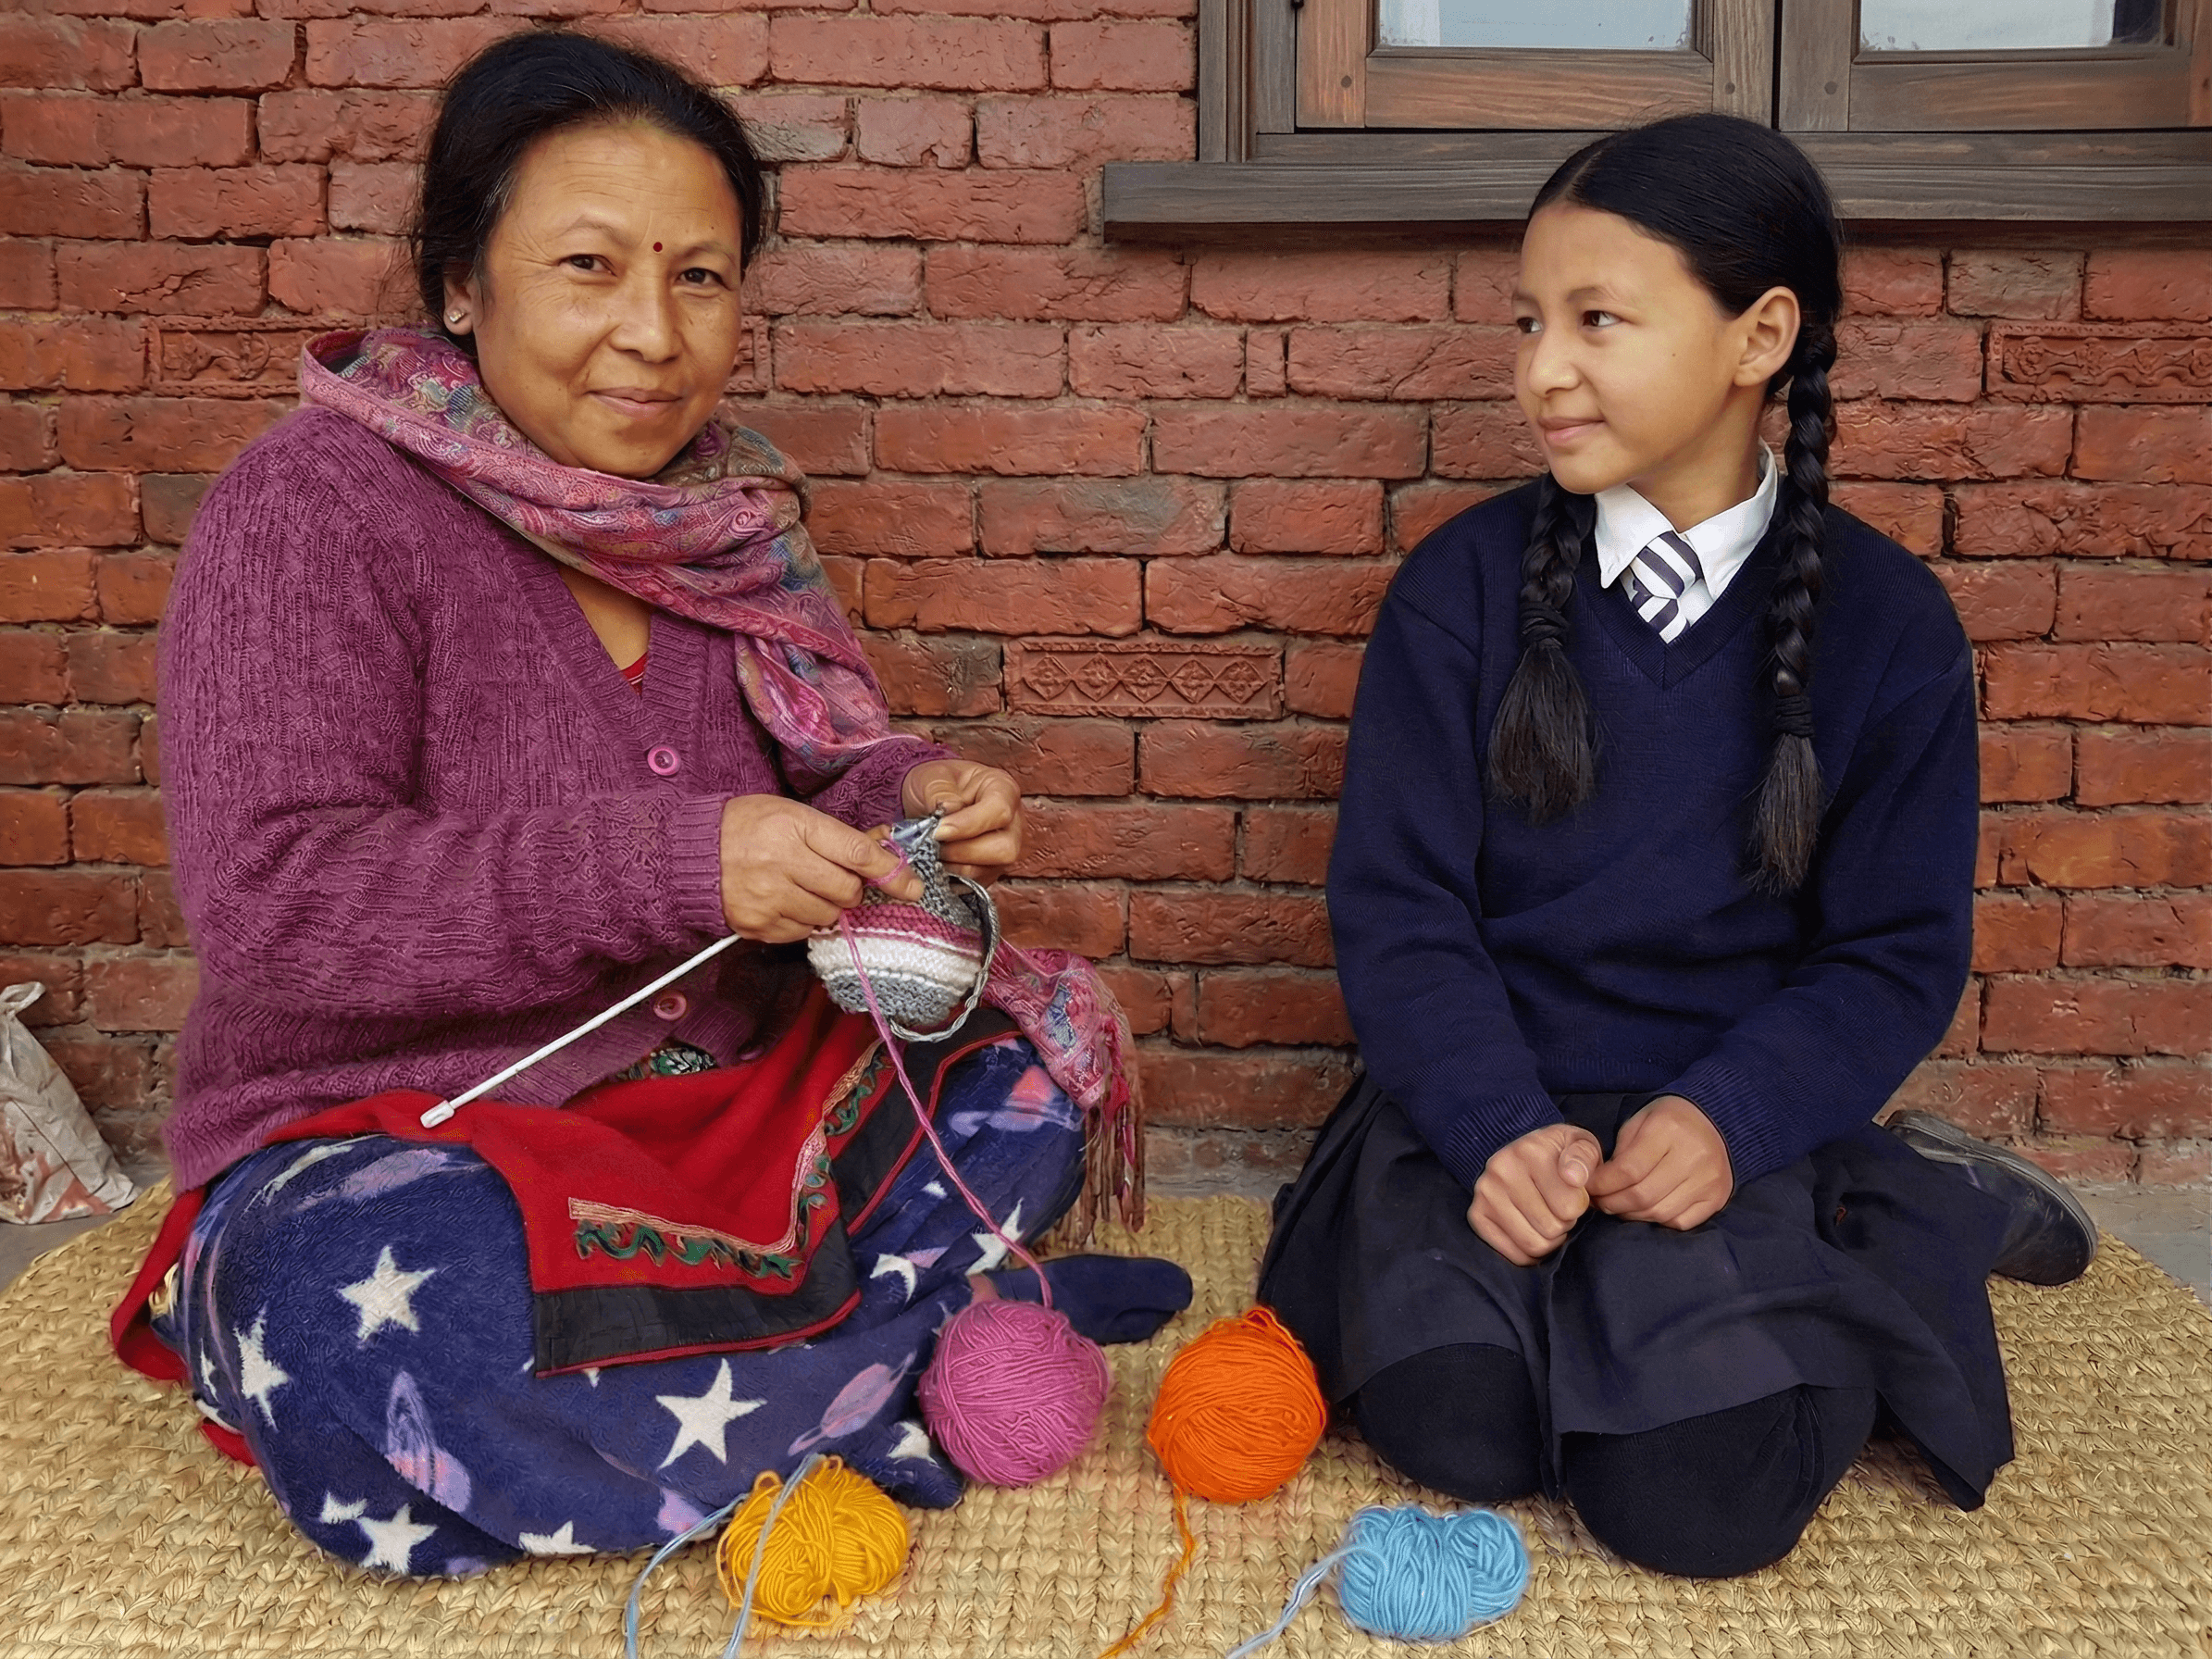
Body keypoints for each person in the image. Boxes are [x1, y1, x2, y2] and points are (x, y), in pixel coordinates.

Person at [111, 31, 1187, 1577]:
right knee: (375, 1294)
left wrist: (916, 801)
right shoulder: (309, 509)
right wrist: (680, 864)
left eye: (699, 277)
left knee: (1032, 1067)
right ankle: (903, 1362)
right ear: (462, 283)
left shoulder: (723, 517)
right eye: (590, 268)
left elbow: (827, 776)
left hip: (715, 1105)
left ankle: (756, 1378)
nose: (651, 333)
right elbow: (279, 907)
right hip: (420, 1135)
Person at [1257, 114, 2099, 1580]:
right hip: (1491, 1100)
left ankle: (1929, 1207)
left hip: (1727, 1121)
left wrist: (1727, 1119)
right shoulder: (1457, 591)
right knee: (1460, 1428)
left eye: (1595, 320)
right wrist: (1490, 1123)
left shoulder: (1887, 629)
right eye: (1526, 322)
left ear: (1758, 335)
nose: (1537, 370)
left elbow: (1891, 954)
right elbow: (1399, 911)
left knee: (1693, 1503)